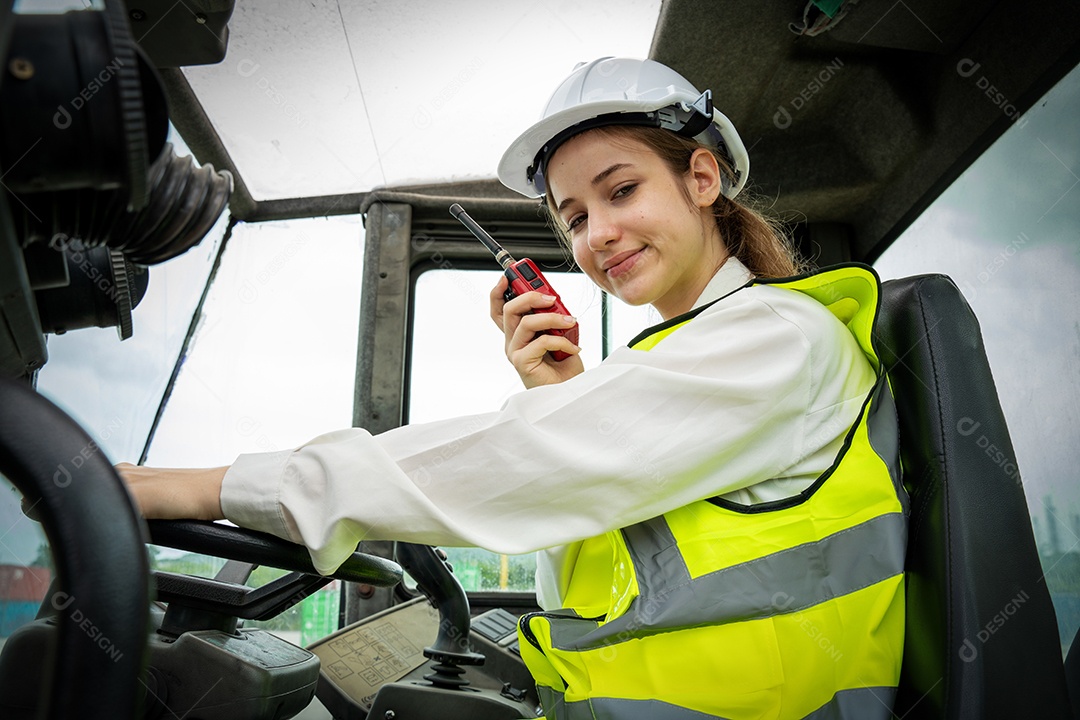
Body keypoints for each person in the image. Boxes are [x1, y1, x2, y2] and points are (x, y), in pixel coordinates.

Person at [122, 57, 907, 719]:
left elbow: (517, 462)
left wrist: (207, 487)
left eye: (621, 190)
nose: (595, 233)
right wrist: (562, 395)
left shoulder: (772, 340)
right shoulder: (707, 353)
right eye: (572, 216)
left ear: (702, 177)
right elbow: (581, 563)